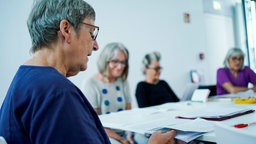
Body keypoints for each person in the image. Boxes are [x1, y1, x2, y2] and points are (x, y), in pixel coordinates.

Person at [0, 0, 176, 143]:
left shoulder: (24, 80)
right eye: (92, 33)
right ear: (66, 30)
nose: (96, 45)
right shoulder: (56, 92)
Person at [82, 42, 147, 144]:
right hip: (103, 133)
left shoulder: (123, 81)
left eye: (123, 62)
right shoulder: (91, 83)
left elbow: (129, 113)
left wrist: (129, 134)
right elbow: (94, 122)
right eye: (115, 61)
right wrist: (121, 139)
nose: (120, 66)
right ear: (105, 61)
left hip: (126, 131)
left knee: (145, 140)